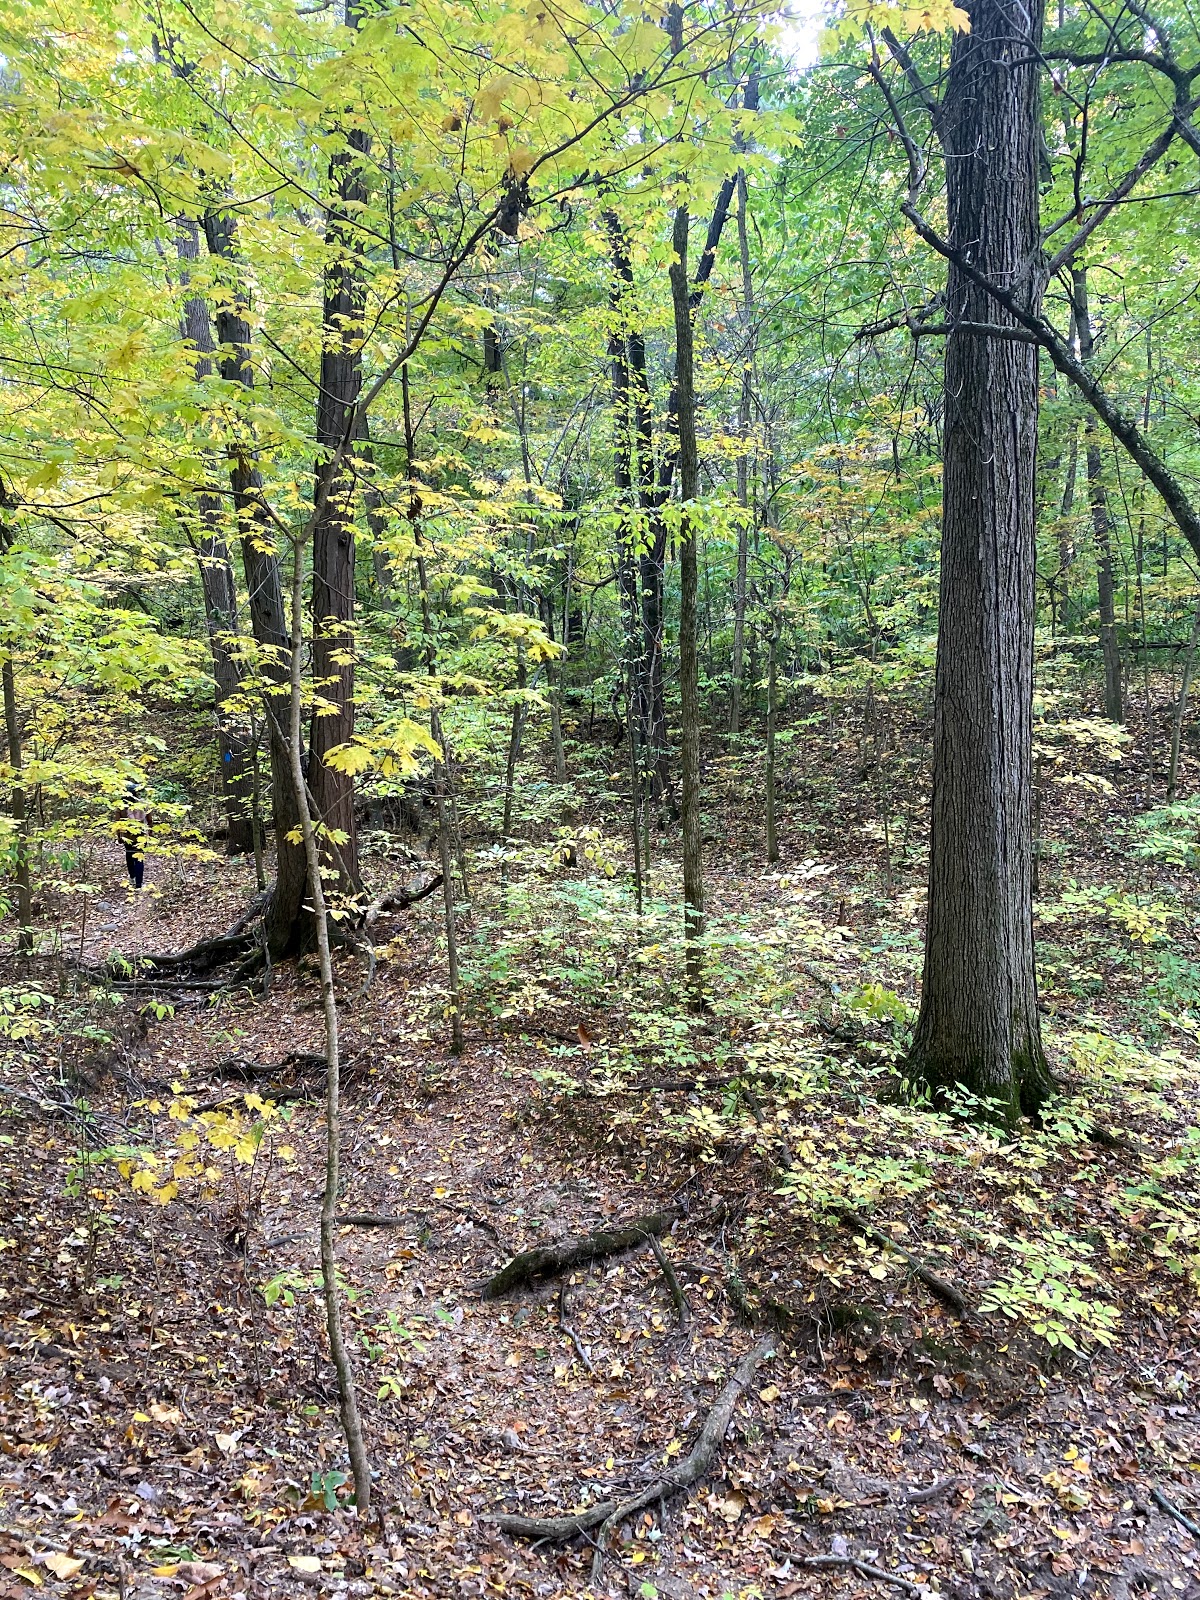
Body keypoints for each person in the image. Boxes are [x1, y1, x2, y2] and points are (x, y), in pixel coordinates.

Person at [118, 780, 150, 890]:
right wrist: (149, 832)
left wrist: (119, 837)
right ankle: (139, 885)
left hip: (127, 836)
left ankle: (132, 878)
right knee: (139, 857)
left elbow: (117, 823)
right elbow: (150, 820)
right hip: (141, 835)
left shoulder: (120, 806)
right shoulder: (143, 804)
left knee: (129, 855)